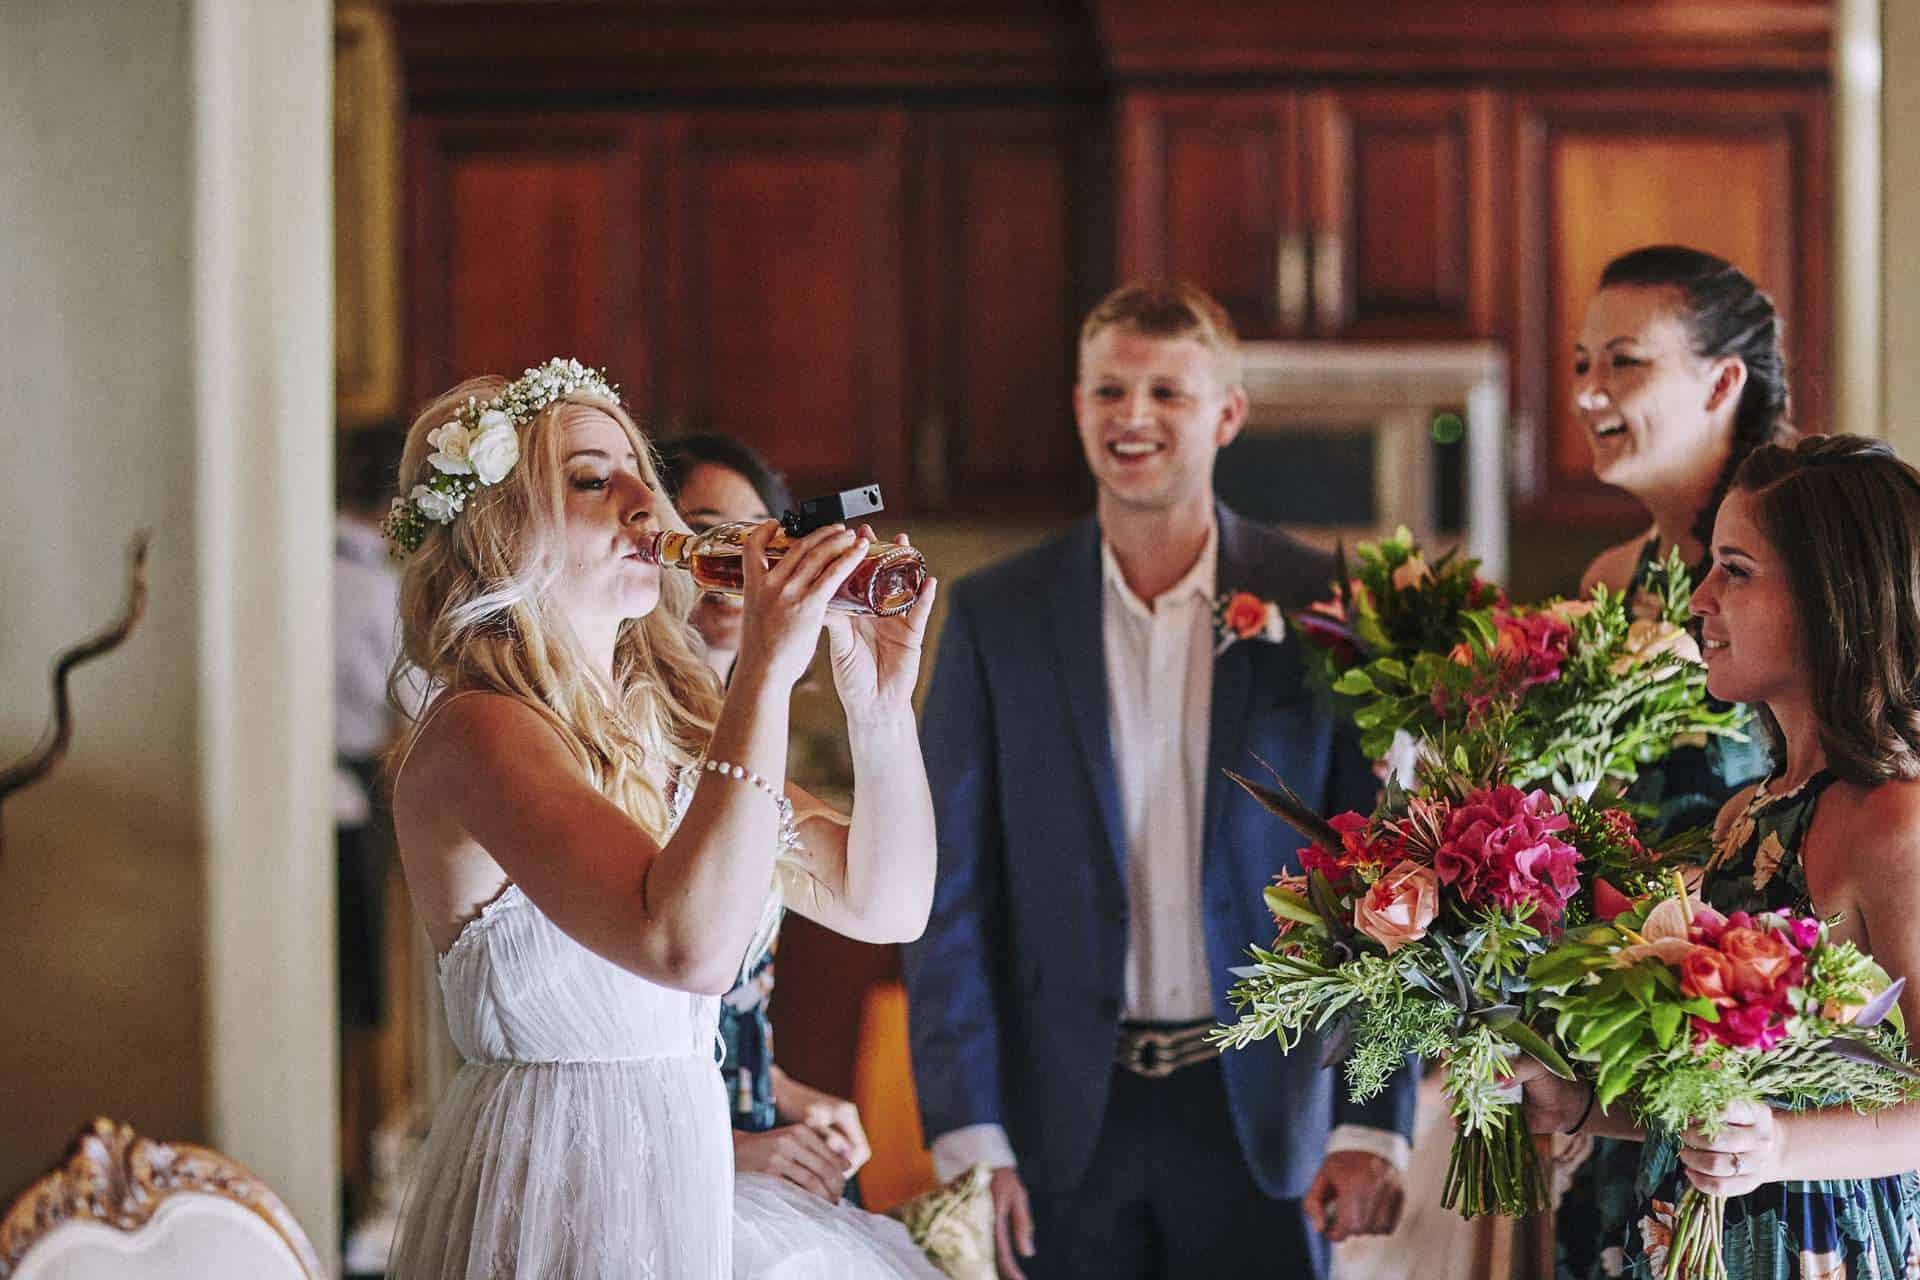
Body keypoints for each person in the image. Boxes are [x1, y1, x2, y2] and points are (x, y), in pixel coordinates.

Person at [381, 359, 943, 1278]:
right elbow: (687, 947)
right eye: (594, 479)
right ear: (497, 526)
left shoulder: (676, 736)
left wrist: (879, 706)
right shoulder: (478, 730)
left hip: (685, 1192)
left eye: (642, 473)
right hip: (555, 1201)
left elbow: (889, 906)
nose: (649, 505)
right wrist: (764, 663)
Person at [902, 281, 1416, 1280]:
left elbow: (1389, 888)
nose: (1132, 418)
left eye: (1167, 393)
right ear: (1078, 406)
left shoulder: (1328, 607)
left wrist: (1372, 1117)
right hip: (1060, 1127)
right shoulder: (993, 617)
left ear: (1226, 414)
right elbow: (945, 893)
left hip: (1270, 1123)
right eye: (1108, 391)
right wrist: (972, 1135)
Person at [1515, 435, 1920, 1279]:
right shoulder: (1746, 814)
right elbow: (1708, 1100)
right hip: (1681, 1237)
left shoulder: (1896, 824)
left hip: (1815, 1248)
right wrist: (1586, 1105)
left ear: (1830, 601)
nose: (1699, 599)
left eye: (1734, 570)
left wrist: (1780, 1147)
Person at [1555, 246, 1791, 1278]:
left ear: (1722, 381)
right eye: (1580, 364)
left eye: (1624, 362)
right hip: (1630, 1052)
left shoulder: (1806, 556)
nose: (1589, 392)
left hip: (1770, 1085)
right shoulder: (1610, 580)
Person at [657, 432, 874, 1205]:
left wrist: (785, 1093)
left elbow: (889, 902)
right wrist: (730, 1151)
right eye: (707, 529)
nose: (738, 561)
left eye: (760, 538)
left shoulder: (747, 742)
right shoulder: (617, 748)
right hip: (662, 1160)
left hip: (750, 1125)